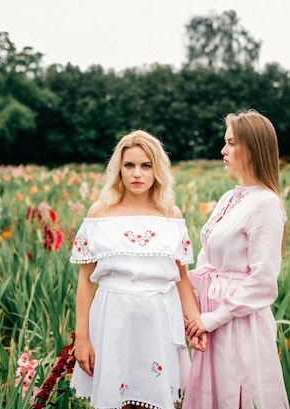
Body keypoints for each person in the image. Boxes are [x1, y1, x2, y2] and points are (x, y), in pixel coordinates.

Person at [70, 129, 207, 409]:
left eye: (146, 166)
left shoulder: (171, 215)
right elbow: (85, 282)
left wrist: (197, 324)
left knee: (153, 401)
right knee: (116, 401)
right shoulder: (100, 213)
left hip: (157, 320)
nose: (137, 174)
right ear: (118, 169)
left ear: (157, 170)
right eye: (129, 165)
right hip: (111, 319)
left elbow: (180, 277)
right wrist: (81, 338)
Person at [183, 110, 290, 409]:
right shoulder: (229, 198)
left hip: (239, 324)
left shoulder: (266, 204)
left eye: (231, 143)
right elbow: (206, 260)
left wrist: (211, 319)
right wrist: (191, 314)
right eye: (224, 142)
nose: (223, 150)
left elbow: (262, 283)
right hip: (210, 318)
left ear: (253, 147)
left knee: (238, 394)